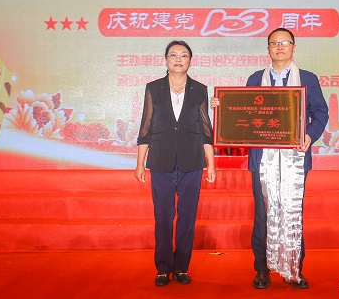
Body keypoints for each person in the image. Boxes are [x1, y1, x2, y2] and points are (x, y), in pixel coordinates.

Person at [213, 28, 328, 289]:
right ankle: (262, 269)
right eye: (274, 43)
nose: (279, 47)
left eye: (284, 42)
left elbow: (321, 112)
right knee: (262, 214)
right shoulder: (255, 78)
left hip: (295, 157)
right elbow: (243, 112)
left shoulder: (308, 78)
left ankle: (293, 269)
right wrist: (222, 108)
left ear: (293, 48)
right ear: (268, 49)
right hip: (262, 159)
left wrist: (309, 135)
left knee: (292, 212)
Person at [135, 40, 216, 287]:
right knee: (163, 216)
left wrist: (211, 163)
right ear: (166, 60)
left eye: (184, 55)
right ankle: (163, 268)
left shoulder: (200, 90)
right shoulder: (153, 88)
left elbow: (205, 130)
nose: (178, 59)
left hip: (192, 161)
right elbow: (146, 127)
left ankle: (181, 267)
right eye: (173, 55)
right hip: (161, 159)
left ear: (190, 60)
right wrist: (140, 163)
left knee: (187, 217)